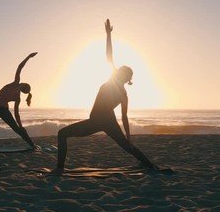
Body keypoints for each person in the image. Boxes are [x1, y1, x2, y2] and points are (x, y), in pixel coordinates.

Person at [55, 19, 159, 173]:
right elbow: (109, 55)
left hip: (97, 120)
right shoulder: (123, 92)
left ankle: (59, 169)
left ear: (123, 76)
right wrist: (108, 35)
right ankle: (149, 165)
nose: (118, 70)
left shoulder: (115, 83)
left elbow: (124, 117)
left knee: (62, 134)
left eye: (121, 71)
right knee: (126, 146)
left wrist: (108, 34)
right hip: (107, 121)